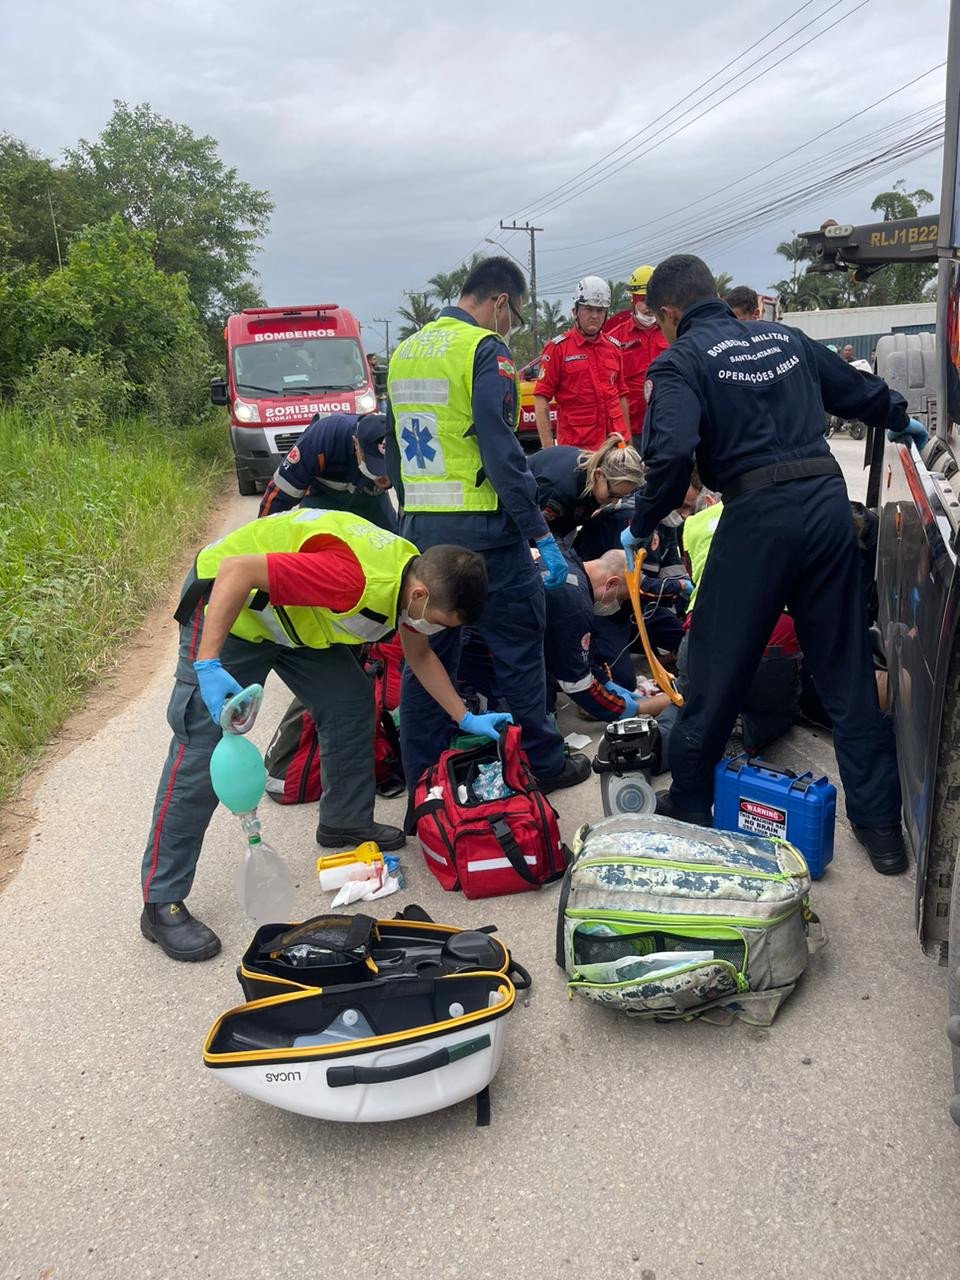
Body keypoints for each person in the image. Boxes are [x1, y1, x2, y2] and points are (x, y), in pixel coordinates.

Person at [620, 253, 924, 875]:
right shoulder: (785, 338)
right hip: (824, 503)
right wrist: (901, 418)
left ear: (670, 313)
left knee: (714, 674)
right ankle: (881, 834)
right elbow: (857, 390)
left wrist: (642, 523)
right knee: (844, 672)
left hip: (758, 516)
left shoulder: (679, 361)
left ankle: (689, 811)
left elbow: (672, 452)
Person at [140, 509, 500, 961]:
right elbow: (237, 570)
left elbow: (420, 656)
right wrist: (208, 664)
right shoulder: (352, 578)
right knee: (201, 746)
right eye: (443, 621)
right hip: (229, 608)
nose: (436, 628)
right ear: (422, 594)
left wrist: (464, 718)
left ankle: (343, 820)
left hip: (287, 620)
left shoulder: (411, 576)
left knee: (350, 701)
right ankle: (161, 900)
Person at [385, 255, 590, 794]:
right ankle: (543, 764)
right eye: (515, 315)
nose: (511, 327)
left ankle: (425, 783)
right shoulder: (483, 349)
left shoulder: (405, 351)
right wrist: (538, 534)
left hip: (422, 532)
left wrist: (407, 523)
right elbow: (502, 452)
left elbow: (392, 451)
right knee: (520, 646)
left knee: (427, 654)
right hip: (486, 539)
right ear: (500, 301)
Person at [534, 276, 630, 450]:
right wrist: (548, 449)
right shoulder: (557, 349)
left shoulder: (614, 348)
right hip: (577, 449)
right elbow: (541, 398)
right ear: (575, 311)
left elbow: (621, 395)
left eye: (600, 310)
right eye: (588, 309)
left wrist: (628, 441)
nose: (594, 316)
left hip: (615, 446)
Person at [259, 411, 396, 530]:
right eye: (372, 464)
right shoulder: (323, 438)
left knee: (394, 544)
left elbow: (408, 505)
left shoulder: (397, 440)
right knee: (314, 545)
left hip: (370, 498)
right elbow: (282, 492)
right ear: (356, 443)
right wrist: (262, 534)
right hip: (322, 498)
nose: (379, 473)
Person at [528, 433, 645, 545]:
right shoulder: (559, 490)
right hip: (524, 519)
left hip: (563, 520)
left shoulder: (597, 471)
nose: (615, 502)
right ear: (599, 475)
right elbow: (531, 529)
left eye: (621, 497)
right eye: (613, 495)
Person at [603, 265, 669, 448]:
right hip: (632, 431)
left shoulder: (672, 332)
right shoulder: (615, 339)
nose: (650, 308)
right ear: (633, 300)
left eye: (654, 302)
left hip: (668, 426)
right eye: (645, 302)